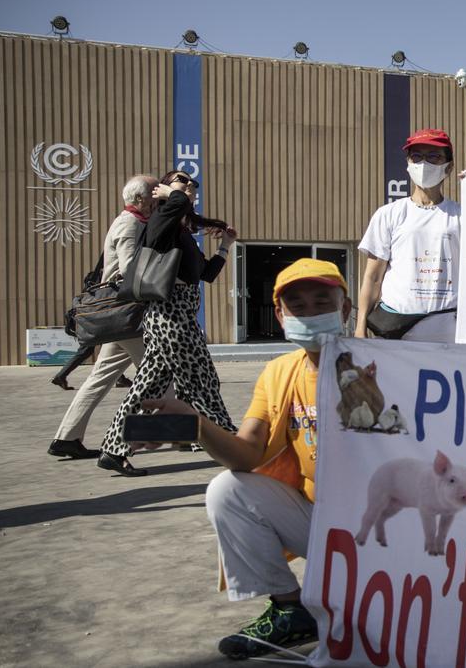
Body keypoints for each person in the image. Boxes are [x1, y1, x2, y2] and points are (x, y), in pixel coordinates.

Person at [141, 258, 349, 660]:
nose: (310, 313)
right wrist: (194, 422)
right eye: (297, 306)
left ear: (345, 308)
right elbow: (246, 454)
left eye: (322, 302)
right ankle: (290, 609)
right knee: (228, 491)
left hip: (386, 526)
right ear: (280, 315)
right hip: (320, 521)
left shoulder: (385, 367)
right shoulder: (278, 372)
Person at [96, 170, 239, 476]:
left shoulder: (181, 231)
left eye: (193, 184)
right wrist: (169, 195)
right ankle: (231, 441)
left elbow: (206, 274)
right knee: (202, 381)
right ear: (162, 191)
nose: (189, 186)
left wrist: (225, 245)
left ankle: (113, 447)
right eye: (181, 181)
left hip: (176, 317)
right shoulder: (161, 222)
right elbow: (175, 204)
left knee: (147, 388)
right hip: (171, 317)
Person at [47, 175, 160, 459]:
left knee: (99, 379)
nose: (157, 198)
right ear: (139, 200)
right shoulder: (129, 222)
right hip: (127, 313)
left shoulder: (136, 221)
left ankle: (66, 438)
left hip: (122, 318)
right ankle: (174, 434)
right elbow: (129, 267)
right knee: (159, 376)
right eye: (153, 193)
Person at [355, 128, 460, 343]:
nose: (424, 163)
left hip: (449, 331)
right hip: (396, 331)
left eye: (433, 157)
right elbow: (373, 277)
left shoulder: (463, 215)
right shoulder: (389, 214)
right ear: (409, 164)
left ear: (448, 167)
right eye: (417, 156)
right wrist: (360, 328)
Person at [50, 345, 132, 391]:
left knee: (84, 353)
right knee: (110, 350)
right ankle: (60, 376)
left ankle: (120, 379)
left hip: (90, 325)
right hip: (96, 325)